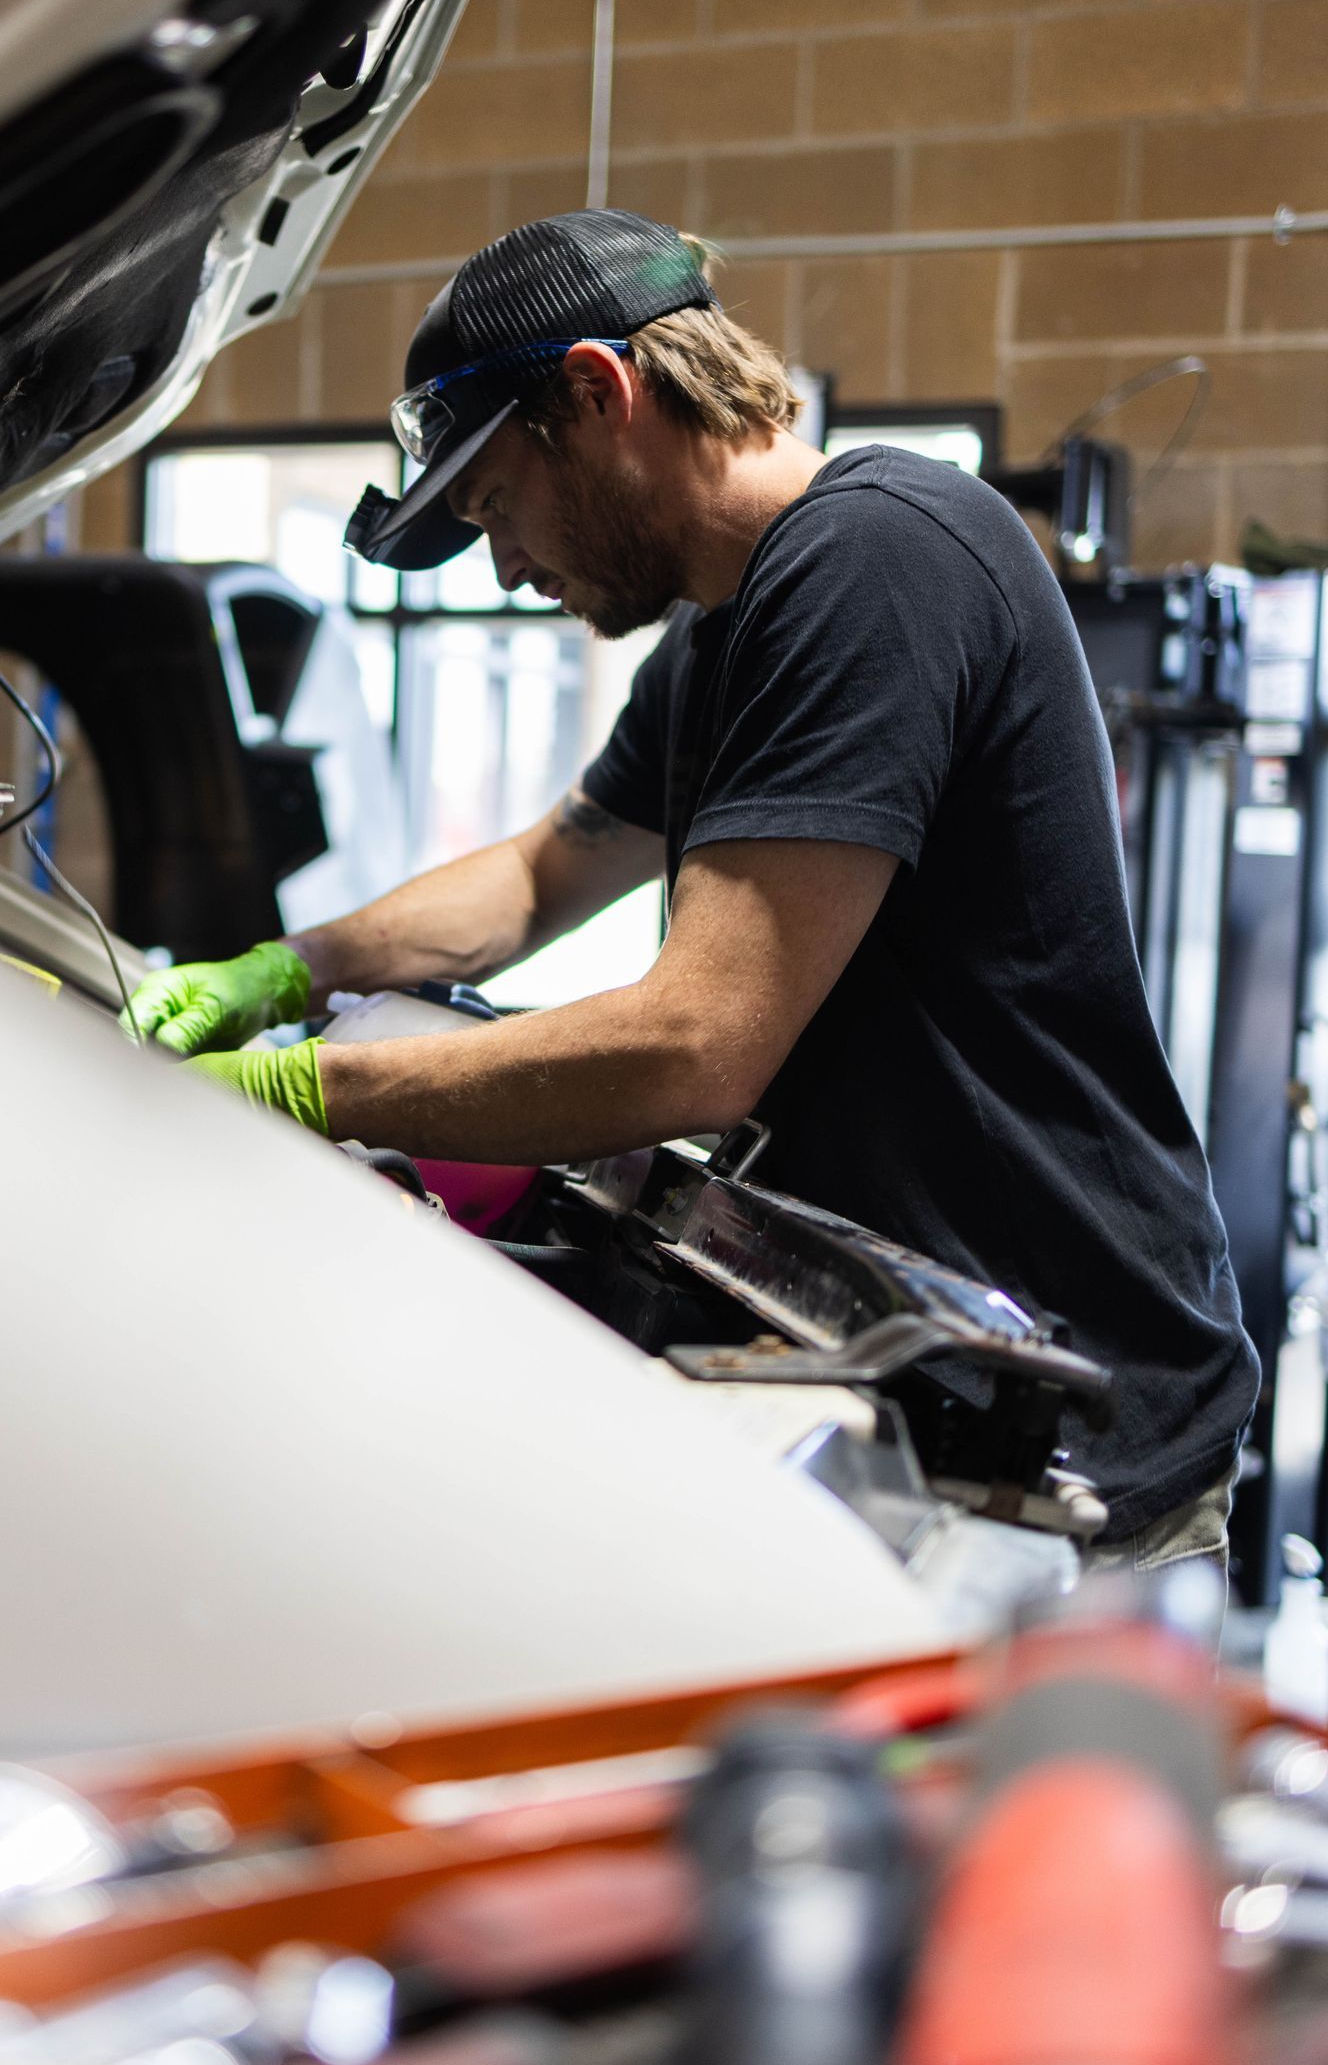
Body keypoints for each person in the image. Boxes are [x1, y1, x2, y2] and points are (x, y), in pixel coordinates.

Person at [124, 209, 1257, 1563]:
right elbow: (538, 878)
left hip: (1060, 1417)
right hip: (905, 1363)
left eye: (496, 506)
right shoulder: (729, 636)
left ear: (599, 396)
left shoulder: (878, 560)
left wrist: (305, 1091)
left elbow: (697, 1043)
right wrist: (284, 972)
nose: (506, 566)